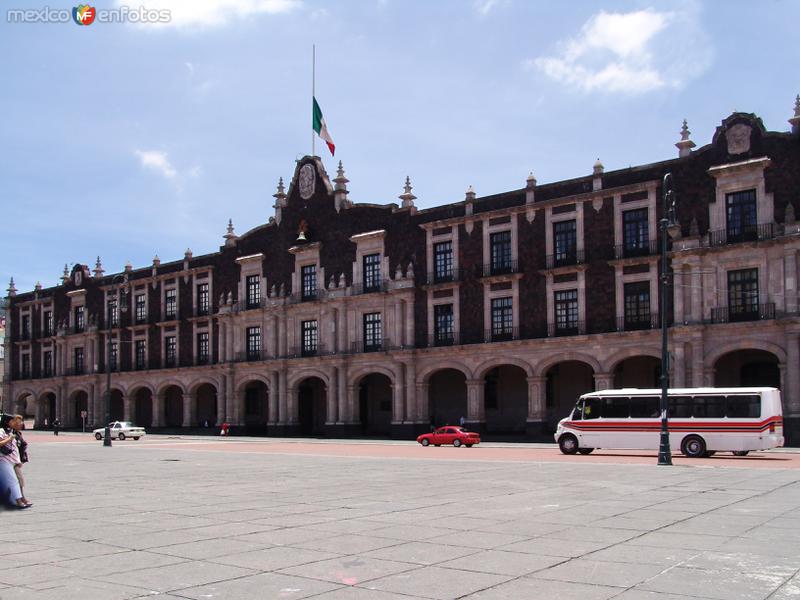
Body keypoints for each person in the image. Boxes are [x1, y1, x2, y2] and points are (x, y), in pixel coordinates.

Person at [0, 415, 29, 509]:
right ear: (7, 422)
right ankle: (19, 501)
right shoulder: (2, 431)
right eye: (13, 421)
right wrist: (9, 439)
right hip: (5, 460)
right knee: (13, 481)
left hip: (14, 460)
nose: (17, 423)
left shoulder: (13, 432)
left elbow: (17, 448)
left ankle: (19, 499)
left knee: (17, 481)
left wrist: (19, 460)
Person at [10, 415, 30, 507]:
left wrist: (22, 459)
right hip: (10, 461)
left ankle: (20, 498)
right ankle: (19, 499)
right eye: (18, 422)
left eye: (21, 422)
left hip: (16, 460)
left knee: (18, 480)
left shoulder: (18, 433)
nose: (21, 424)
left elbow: (22, 446)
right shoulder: (9, 433)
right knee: (18, 480)